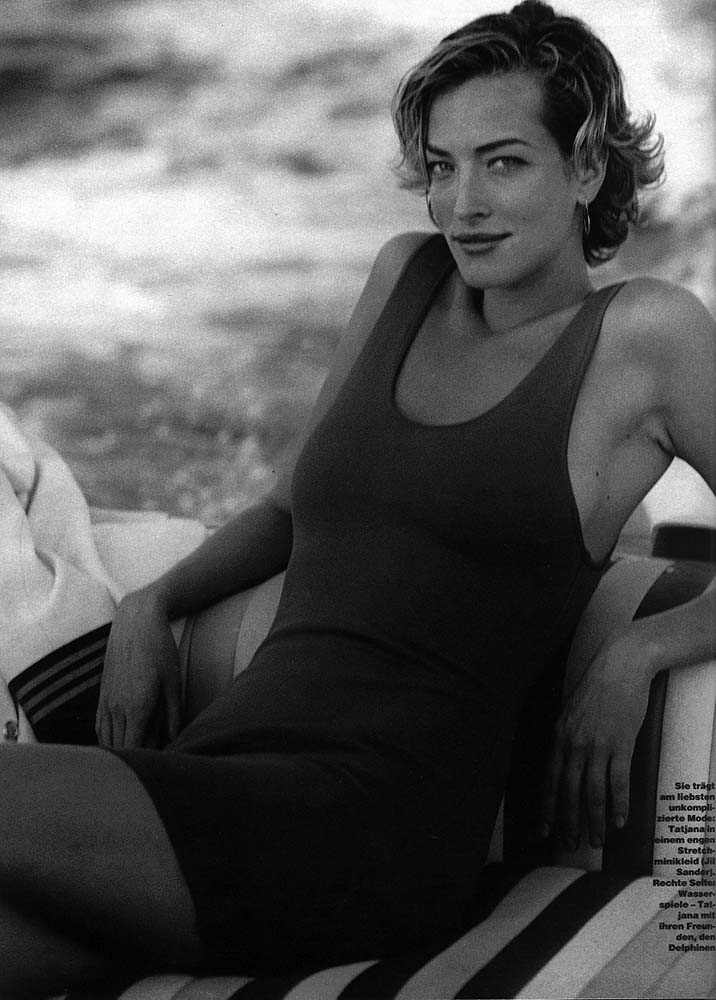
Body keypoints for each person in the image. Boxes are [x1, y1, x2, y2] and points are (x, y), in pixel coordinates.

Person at [1, 1, 715, 994]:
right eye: (441, 166)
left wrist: (637, 653)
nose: (461, 203)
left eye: (503, 162)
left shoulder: (644, 334)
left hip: (368, 826)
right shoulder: (405, 275)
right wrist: (150, 603)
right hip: (227, 764)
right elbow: (290, 505)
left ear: (586, 168)